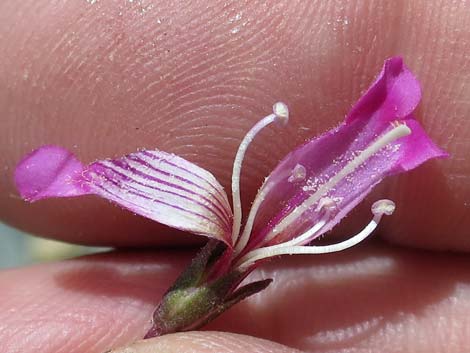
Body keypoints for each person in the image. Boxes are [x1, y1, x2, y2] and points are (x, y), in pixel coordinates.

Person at [1, 1, 469, 352]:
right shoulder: (217, 215)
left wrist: (79, 178)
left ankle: (384, 132)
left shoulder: (223, 219)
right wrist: (83, 178)